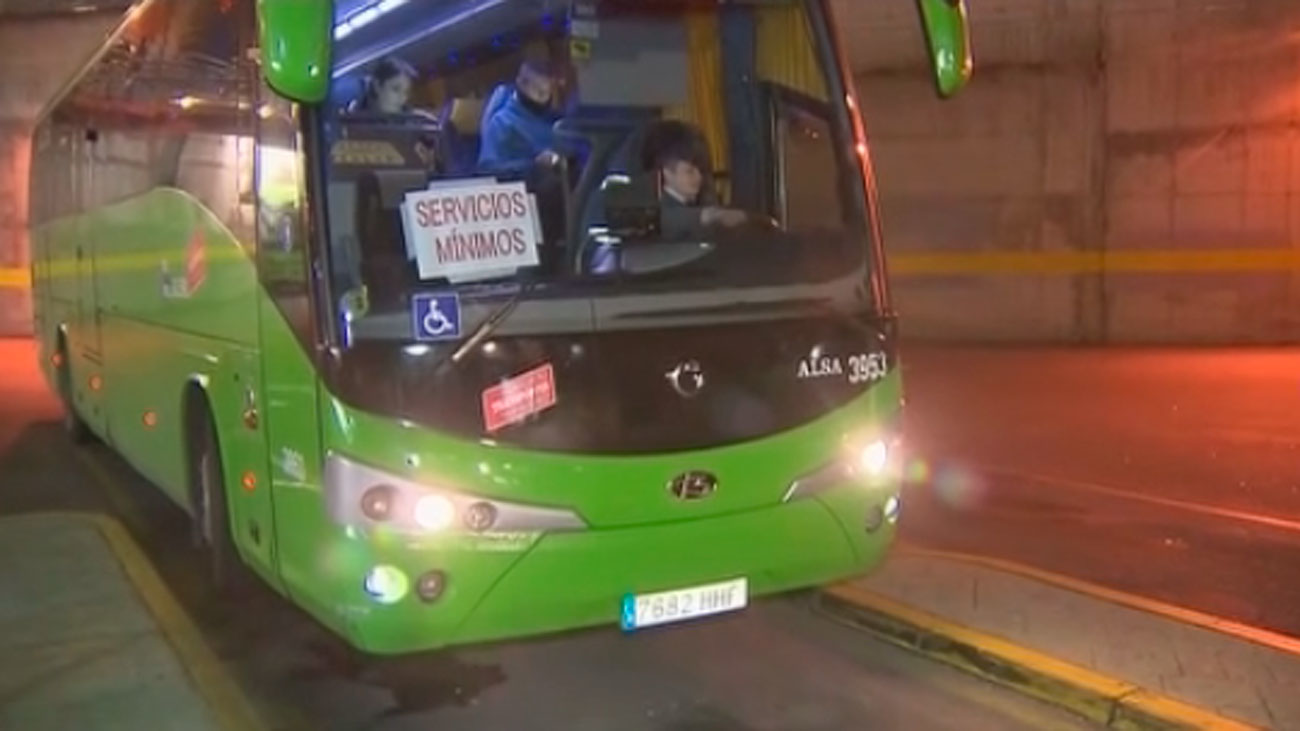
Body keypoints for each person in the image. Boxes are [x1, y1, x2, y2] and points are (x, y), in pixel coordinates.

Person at [478, 59, 565, 174]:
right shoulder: (502, 122)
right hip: (526, 187)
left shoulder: (555, 120)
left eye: (548, 93)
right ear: (521, 84)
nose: (544, 99)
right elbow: (488, 168)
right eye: (539, 92)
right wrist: (533, 164)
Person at [656, 142, 749, 239]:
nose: (699, 177)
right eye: (689, 171)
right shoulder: (663, 211)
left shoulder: (700, 201)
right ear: (668, 174)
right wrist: (718, 215)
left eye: (700, 171)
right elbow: (673, 218)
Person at [348, 56, 421, 115]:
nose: (402, 98)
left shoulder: (414, 121)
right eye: (396, 89)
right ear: (377, 86)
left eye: (406, 92)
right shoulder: (353, 121)